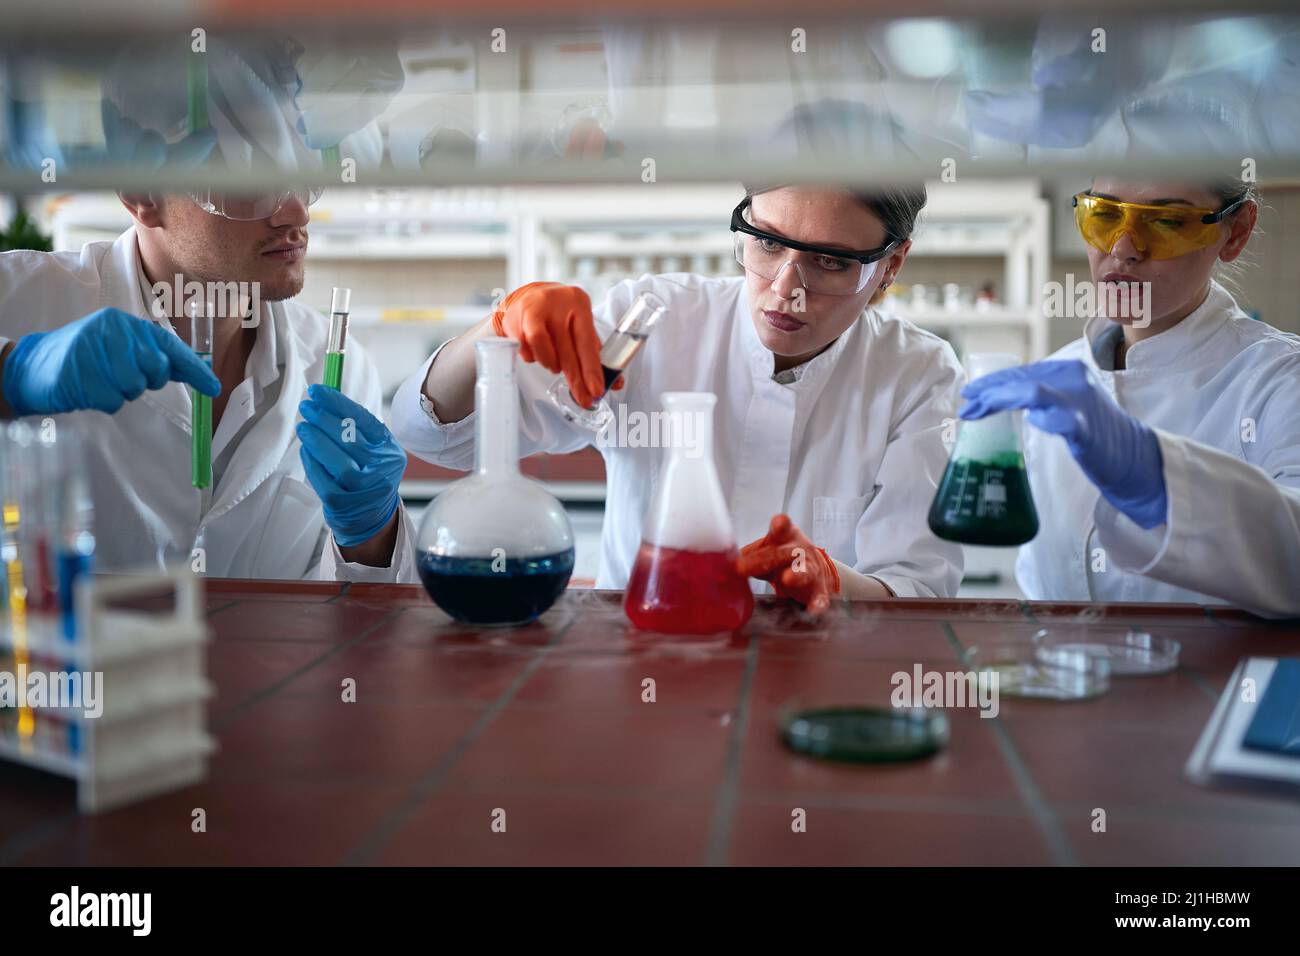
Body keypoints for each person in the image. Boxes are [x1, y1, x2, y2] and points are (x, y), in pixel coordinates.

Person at [391, 183, 965, 612]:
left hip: (819, 677)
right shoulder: (652, 317)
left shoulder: (919, 374)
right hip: (639, 662)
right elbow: (435, 437)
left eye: (831, 261)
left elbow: (915, 591)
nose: (786, 289)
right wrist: (498, 326)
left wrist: (833, 580)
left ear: (890, 265)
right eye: (767, 243)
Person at [0, 37, 413, 581]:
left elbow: (370, 634)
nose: (294, 212)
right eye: (249, 178)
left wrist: (374, 536)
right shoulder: (18, 300)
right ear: (141, 193)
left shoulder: (340, 370)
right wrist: (10, 373)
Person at [960, 177, 1300, 618]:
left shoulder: (1278, 379)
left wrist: (1155, 479)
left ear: (1234, 232)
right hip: (1056, 681)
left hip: (1219, 687)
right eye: (1104, 215)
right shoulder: (1059, 383)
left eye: (1165, 221)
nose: (1124, 248)